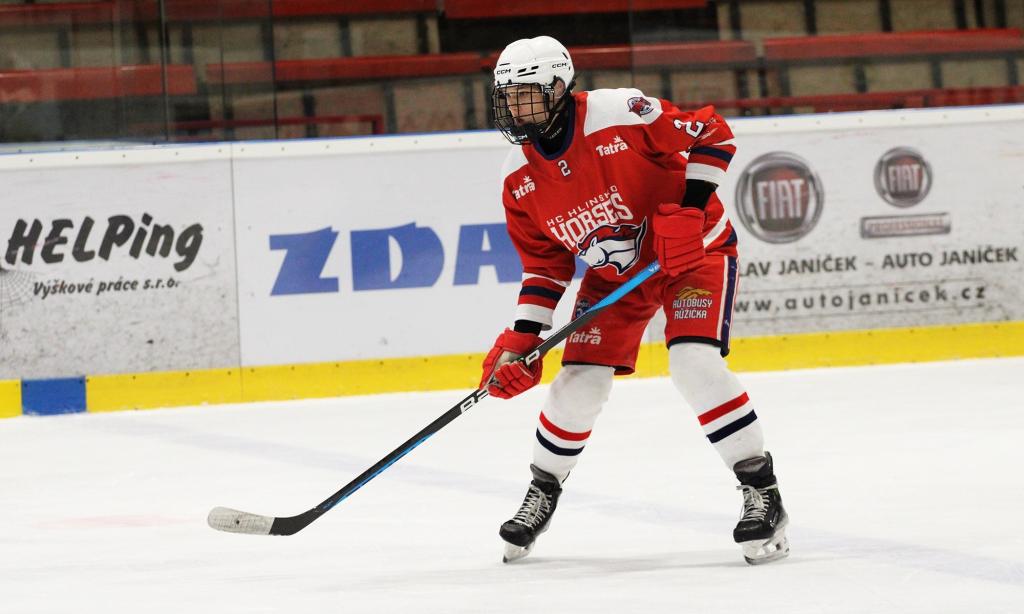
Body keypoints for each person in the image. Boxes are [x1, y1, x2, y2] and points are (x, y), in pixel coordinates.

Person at [480, 35, 789, 566]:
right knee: (577, 384)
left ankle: (763, 490)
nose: (515, 108)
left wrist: (691, 209)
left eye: (526, 95)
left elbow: (712, 132)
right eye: (507, 97)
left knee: (693, 363)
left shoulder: (619, 112)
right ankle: (543, 490)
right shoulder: (517, 178)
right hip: (615, 280)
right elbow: (546, 267)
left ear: (559, 87)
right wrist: (522, 339)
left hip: (692, 255)